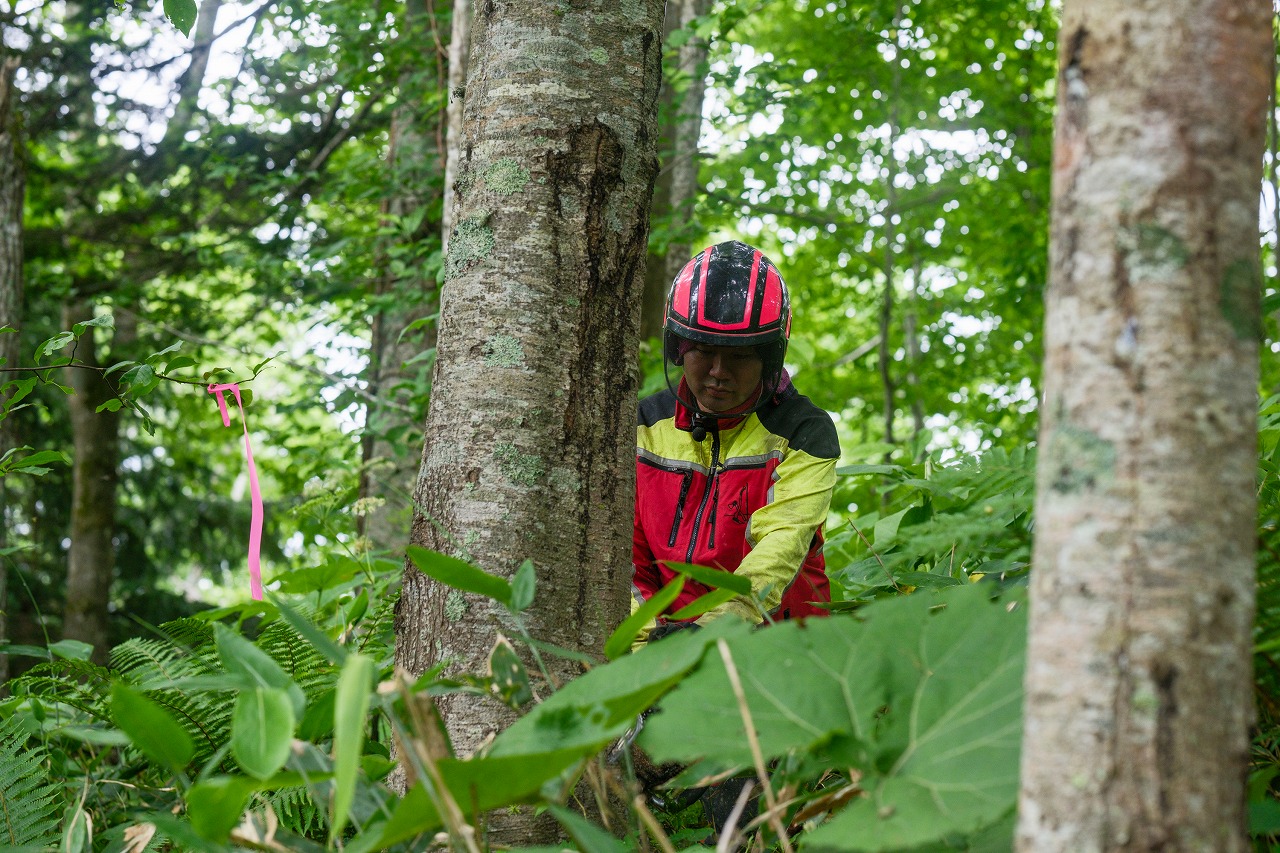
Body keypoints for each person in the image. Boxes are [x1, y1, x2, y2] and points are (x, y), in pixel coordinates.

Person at [632, 240, 840, 640]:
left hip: (780, 657)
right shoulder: (643, 426)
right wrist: (648, 652)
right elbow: (625, 557)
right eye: (704, 352)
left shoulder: (804, 432)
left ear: (769, 357)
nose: (718, 371)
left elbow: (777, 554)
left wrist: (704, 639)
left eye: (740, 356)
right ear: (679, 349)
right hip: (658, 650)